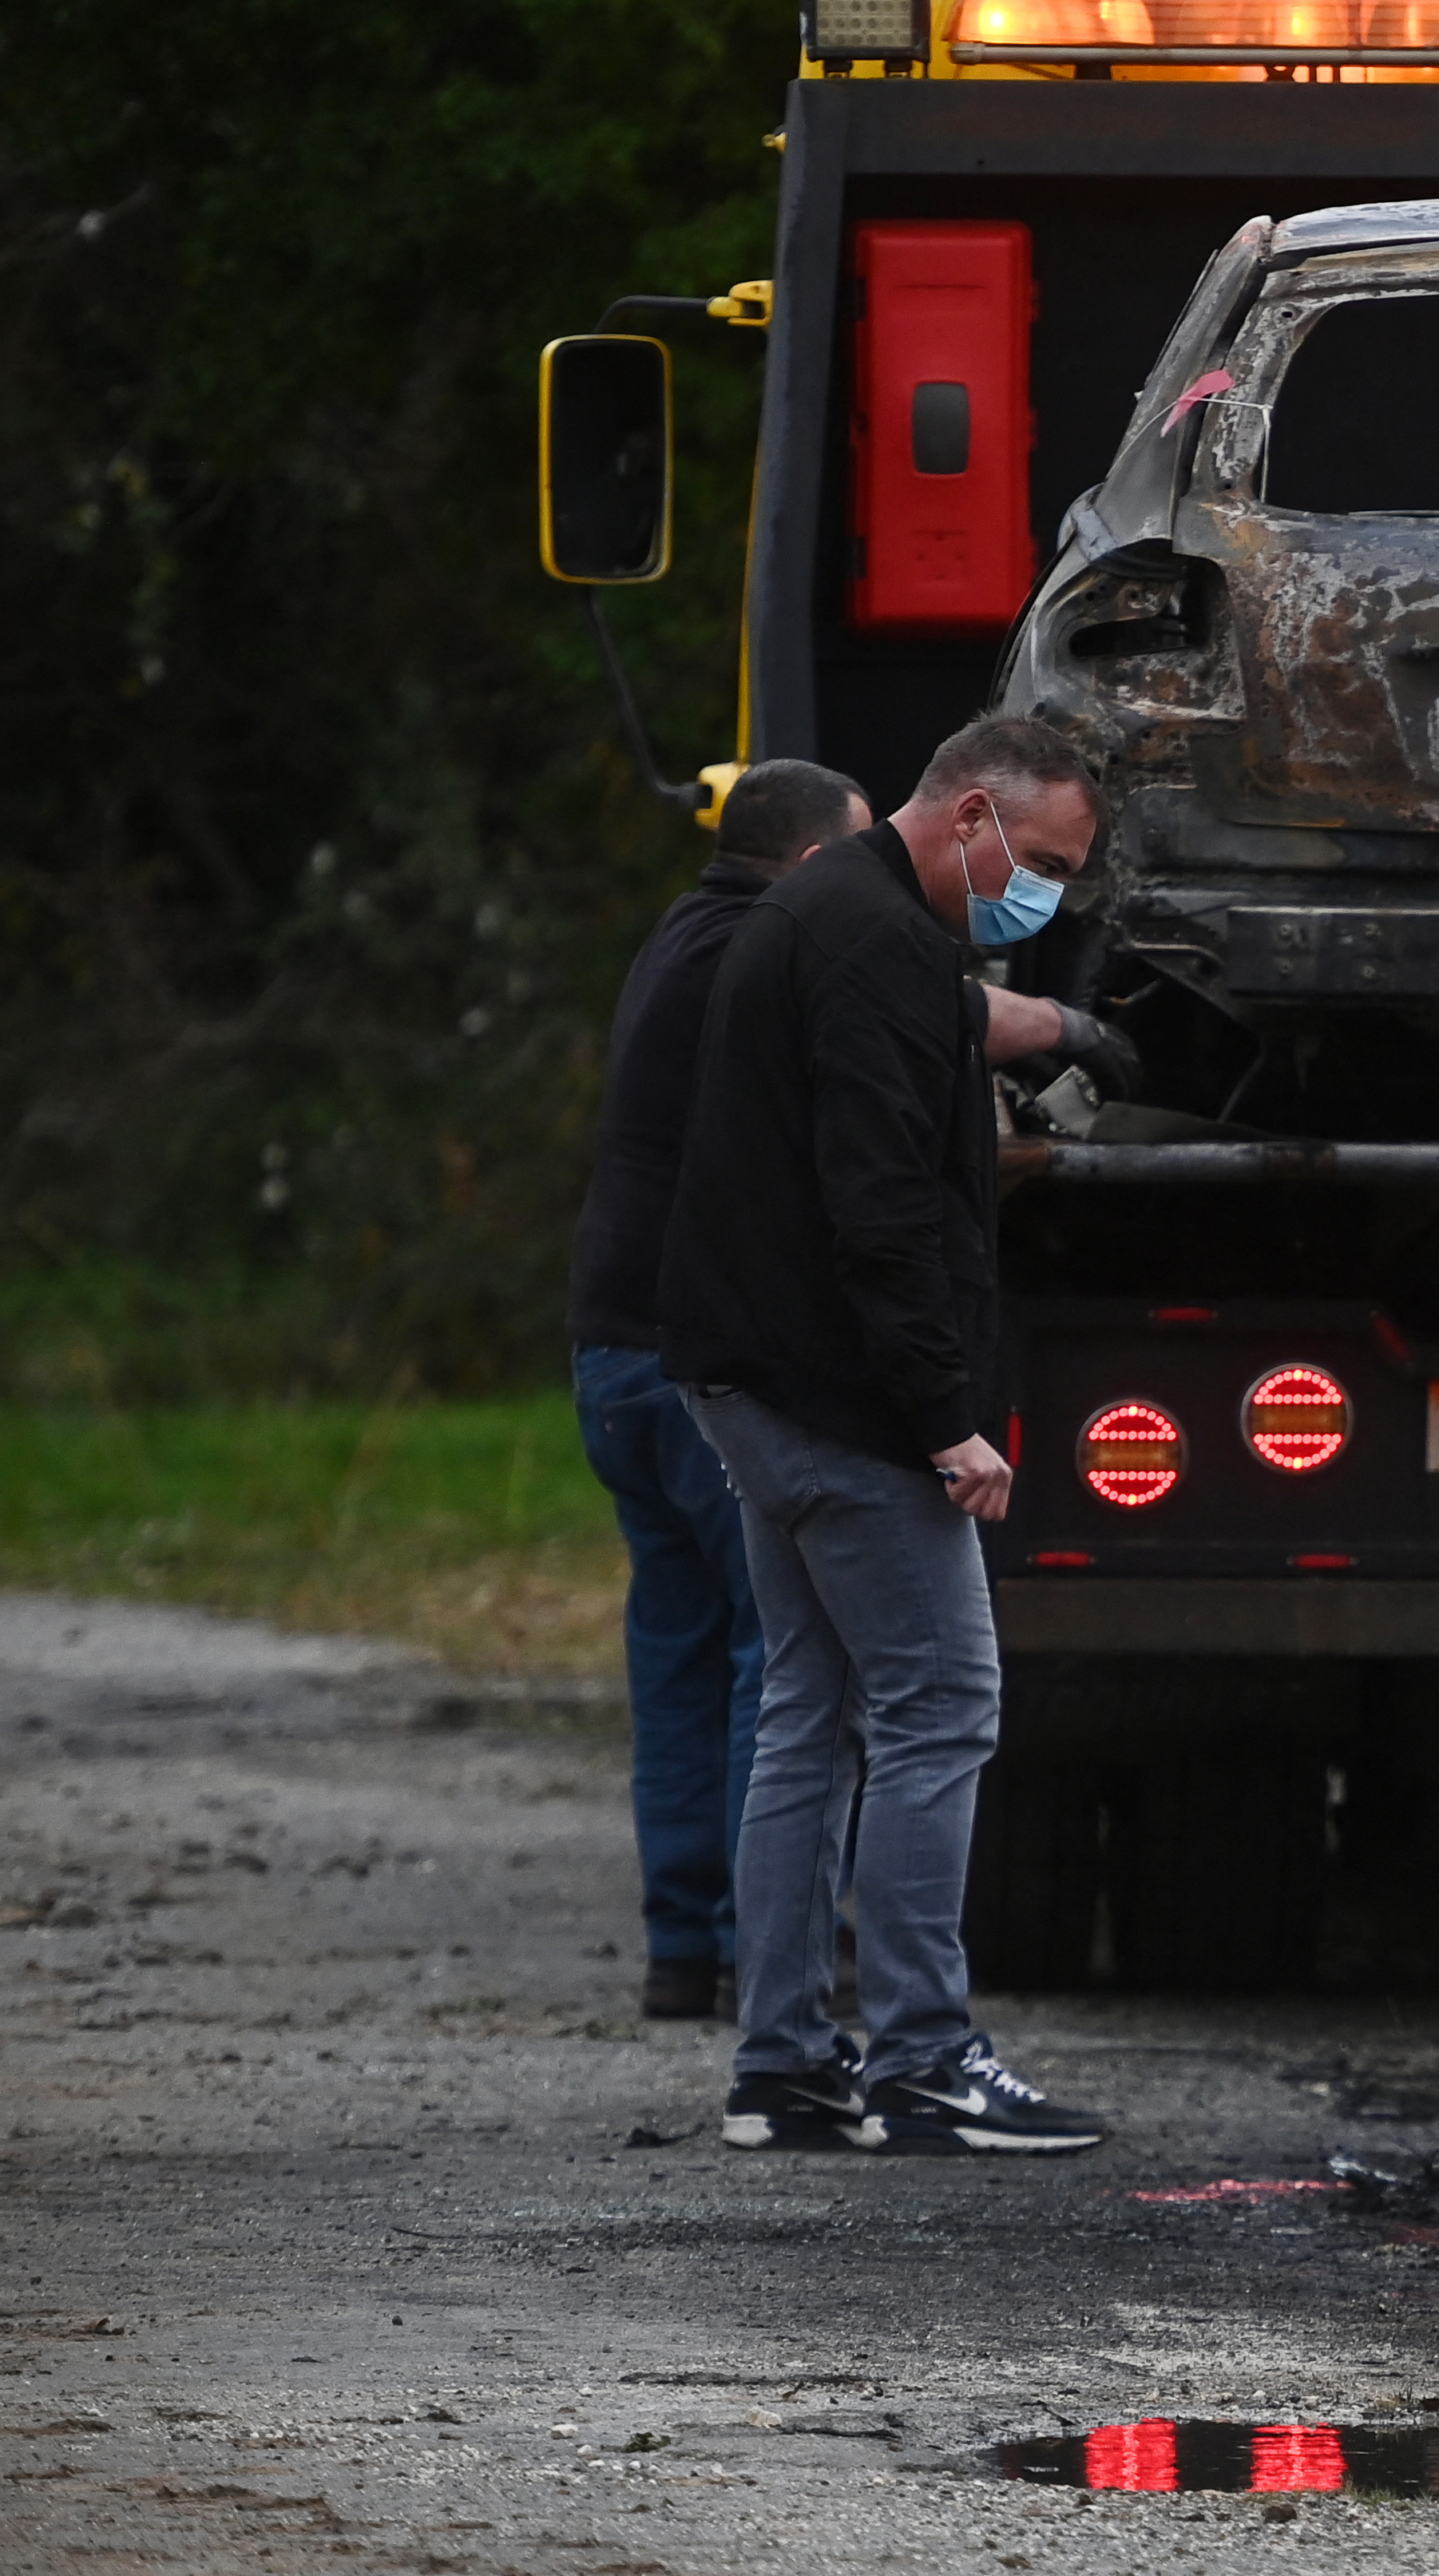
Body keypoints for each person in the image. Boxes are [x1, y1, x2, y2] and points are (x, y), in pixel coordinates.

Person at [662, 715, 1115, 2156]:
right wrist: (946, 1422)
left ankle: (783, 2064)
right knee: (940, 1708)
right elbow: (879, 1211)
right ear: (971, 813)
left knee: (810, 1713)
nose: (1037, 891)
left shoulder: (825, 911)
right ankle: (925, 2056)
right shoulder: (874, 947)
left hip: (759, 1383)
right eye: (1037, 860)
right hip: (844, 1400)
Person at [569, 757, 874, 2021]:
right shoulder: (771, 953)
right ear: (810, 865)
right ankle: (779, 1955)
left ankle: (682, 1951)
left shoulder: (682, 935)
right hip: (698, 1364)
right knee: (782, 1662)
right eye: (859, 858)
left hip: (612, 1354)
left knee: (682, 1658)